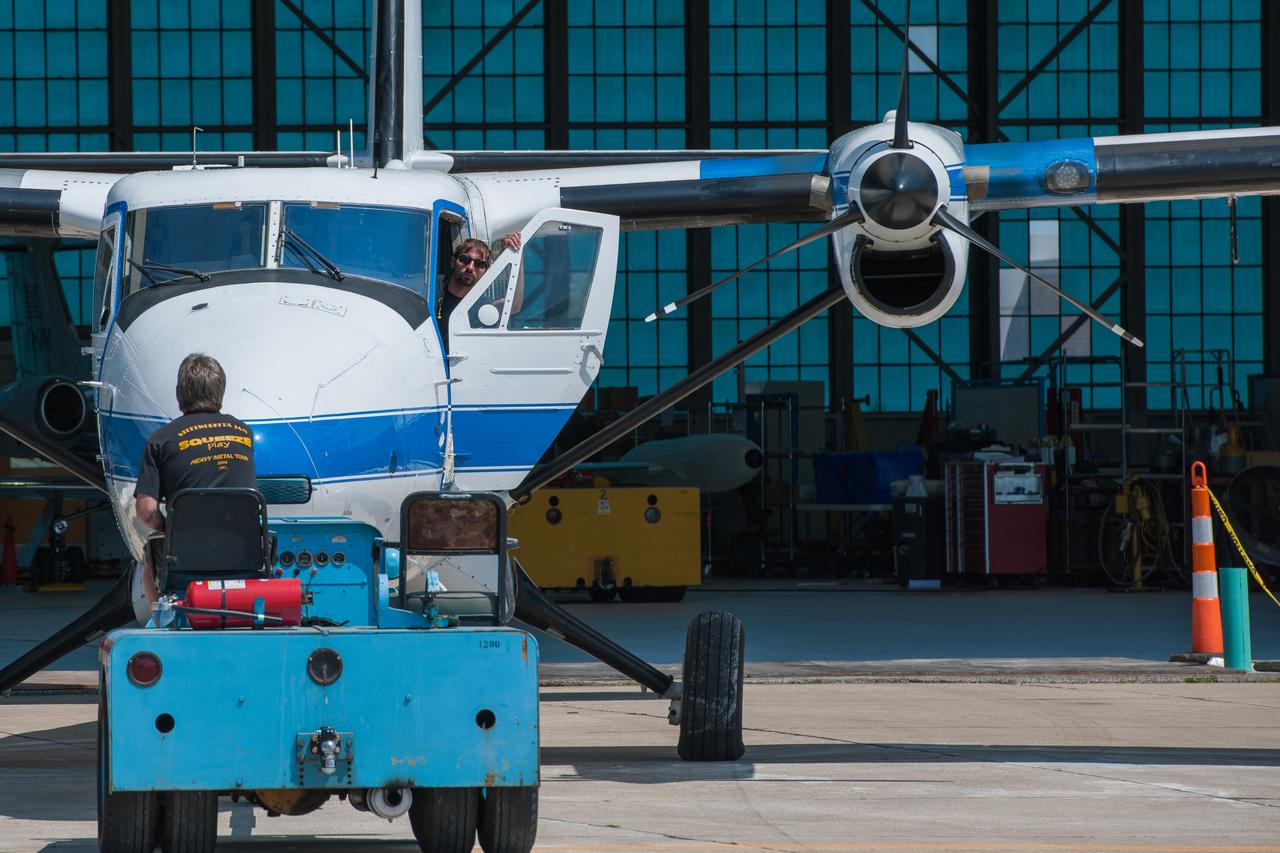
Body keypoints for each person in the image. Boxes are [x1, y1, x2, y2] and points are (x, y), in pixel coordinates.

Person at [135, 353, 257, 599]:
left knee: (149, 552)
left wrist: (169, 527)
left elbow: (146, 512)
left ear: (179, 395)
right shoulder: (243, 432)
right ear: (221, 392)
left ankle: (160, 619)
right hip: (245, 556)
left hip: (185, 558)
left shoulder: (162, 439)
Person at [436, 234, 523, 351]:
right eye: (465, 259)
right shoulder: (431, 286)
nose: (470, 267)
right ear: (453, 262)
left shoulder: (482, 306)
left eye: (479, 264)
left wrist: (517, 253)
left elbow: (514, 305)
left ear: (486, 273)